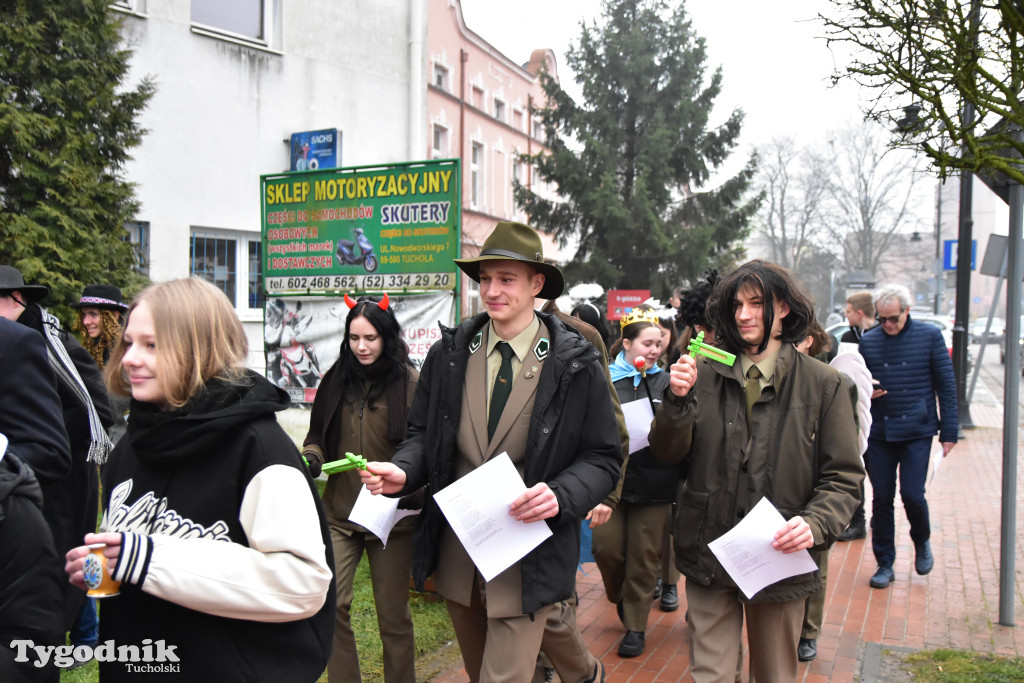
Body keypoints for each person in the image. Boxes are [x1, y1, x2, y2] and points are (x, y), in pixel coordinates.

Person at [361, 221, 621, 683]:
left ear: (536, 284)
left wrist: (561, 495)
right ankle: (585, 674)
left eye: (506, 279)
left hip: (529, 554)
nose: (491, 291)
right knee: (482, 668)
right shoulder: (451, 354)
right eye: (485, 279)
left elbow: (603, 456)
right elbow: (423, 435)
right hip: (461, 549)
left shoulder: (574, 363)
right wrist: (404, 471)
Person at [64, 278, 334, 682]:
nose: (130, 359)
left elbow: (304, 582)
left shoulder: (259, 448)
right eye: (130, 344)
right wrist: (102, 564)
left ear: (199, 348)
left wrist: (150, 558)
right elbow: (134, 558)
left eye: (151, 345)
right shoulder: (130, 448)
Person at [649, 259, 863, 682]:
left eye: (756, 303)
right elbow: (667, 454)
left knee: (774, 675)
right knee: (709, 674)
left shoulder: (825, 385)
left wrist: (816, 523)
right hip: (709, 550)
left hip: (778, 556)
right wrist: (676, 403)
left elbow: (844, 477)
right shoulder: (702, 375)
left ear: (783, 307)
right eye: (736, 305)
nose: (743, 315)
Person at [301, 294, 419, 683]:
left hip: (391, 520)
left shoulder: (410, 383)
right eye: (353, 338)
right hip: (339, 514)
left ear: (386, 336)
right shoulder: (336, 379)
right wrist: (312, 457)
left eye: (370, 338)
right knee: (330, 603)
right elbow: (317, 436)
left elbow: (421, 448)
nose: (361, 347)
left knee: (393, 617)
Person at [0, 266, 113, 636]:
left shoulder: (48, 340)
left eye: (96, 313)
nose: (87, 319)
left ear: (18, 300)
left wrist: (45, 425)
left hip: (70, 468)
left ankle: (86, 634)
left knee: (72, 550)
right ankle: (83, 631)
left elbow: (99, 408)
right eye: (85, 313)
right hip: (37, 473)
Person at [858, 284, 957, 590]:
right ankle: (884, 563)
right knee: (882, 498)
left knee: (913, 494)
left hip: (917, 429)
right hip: (880, 432)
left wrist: (949, 431)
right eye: (882, 318)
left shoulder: (929, 336)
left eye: (893, 318)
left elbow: (946, 384)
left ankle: (921, 541)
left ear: (907, 311)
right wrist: (868, 390)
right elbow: (858, 384)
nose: (888, 324)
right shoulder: (869, 341)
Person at [592, 308, 673, 658]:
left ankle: (636, 627)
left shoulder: (667, 382)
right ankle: (622, 597)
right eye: (647, 343)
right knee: (606, 550)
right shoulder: (605, 379)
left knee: (645, 558)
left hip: (655, 484)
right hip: (611, 485)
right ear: (626, 343)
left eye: (658, 344)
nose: (654, 351)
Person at [71, 284, 129, 370]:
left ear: (114, 315)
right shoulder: (96, 345)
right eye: (84, 315)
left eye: (93, 314)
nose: (85, 322)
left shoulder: (124, 351)